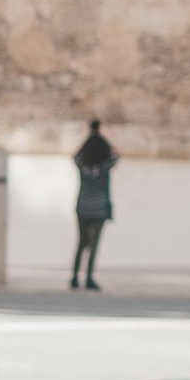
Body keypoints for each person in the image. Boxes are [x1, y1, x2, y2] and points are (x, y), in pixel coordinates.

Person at [69, 119, 115, 291]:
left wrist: (87, 136)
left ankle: (74, 277)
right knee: (94, 244)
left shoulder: (83, 162)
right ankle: (89, 278)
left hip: (82, 205)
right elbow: (117, 154)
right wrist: (105, 136)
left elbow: (75, 156)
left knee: (81, 243)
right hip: (100, 207)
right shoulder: (105, 164)